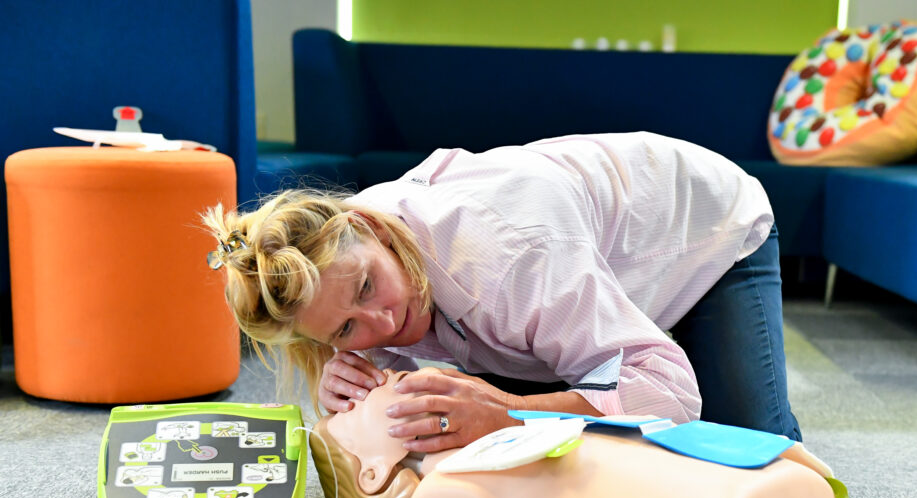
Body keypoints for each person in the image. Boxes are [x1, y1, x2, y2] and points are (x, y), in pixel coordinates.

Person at [203, 132, 800, 453]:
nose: (383, 323)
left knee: (748, 457)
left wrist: (509, 411)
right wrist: (346, 378)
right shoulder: (344, 257)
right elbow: (361, 336)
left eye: (368, 286)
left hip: (706, 222)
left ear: (374, 229)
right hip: (561, 271)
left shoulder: (509, 255)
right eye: (343, 330)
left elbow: (669, 391)